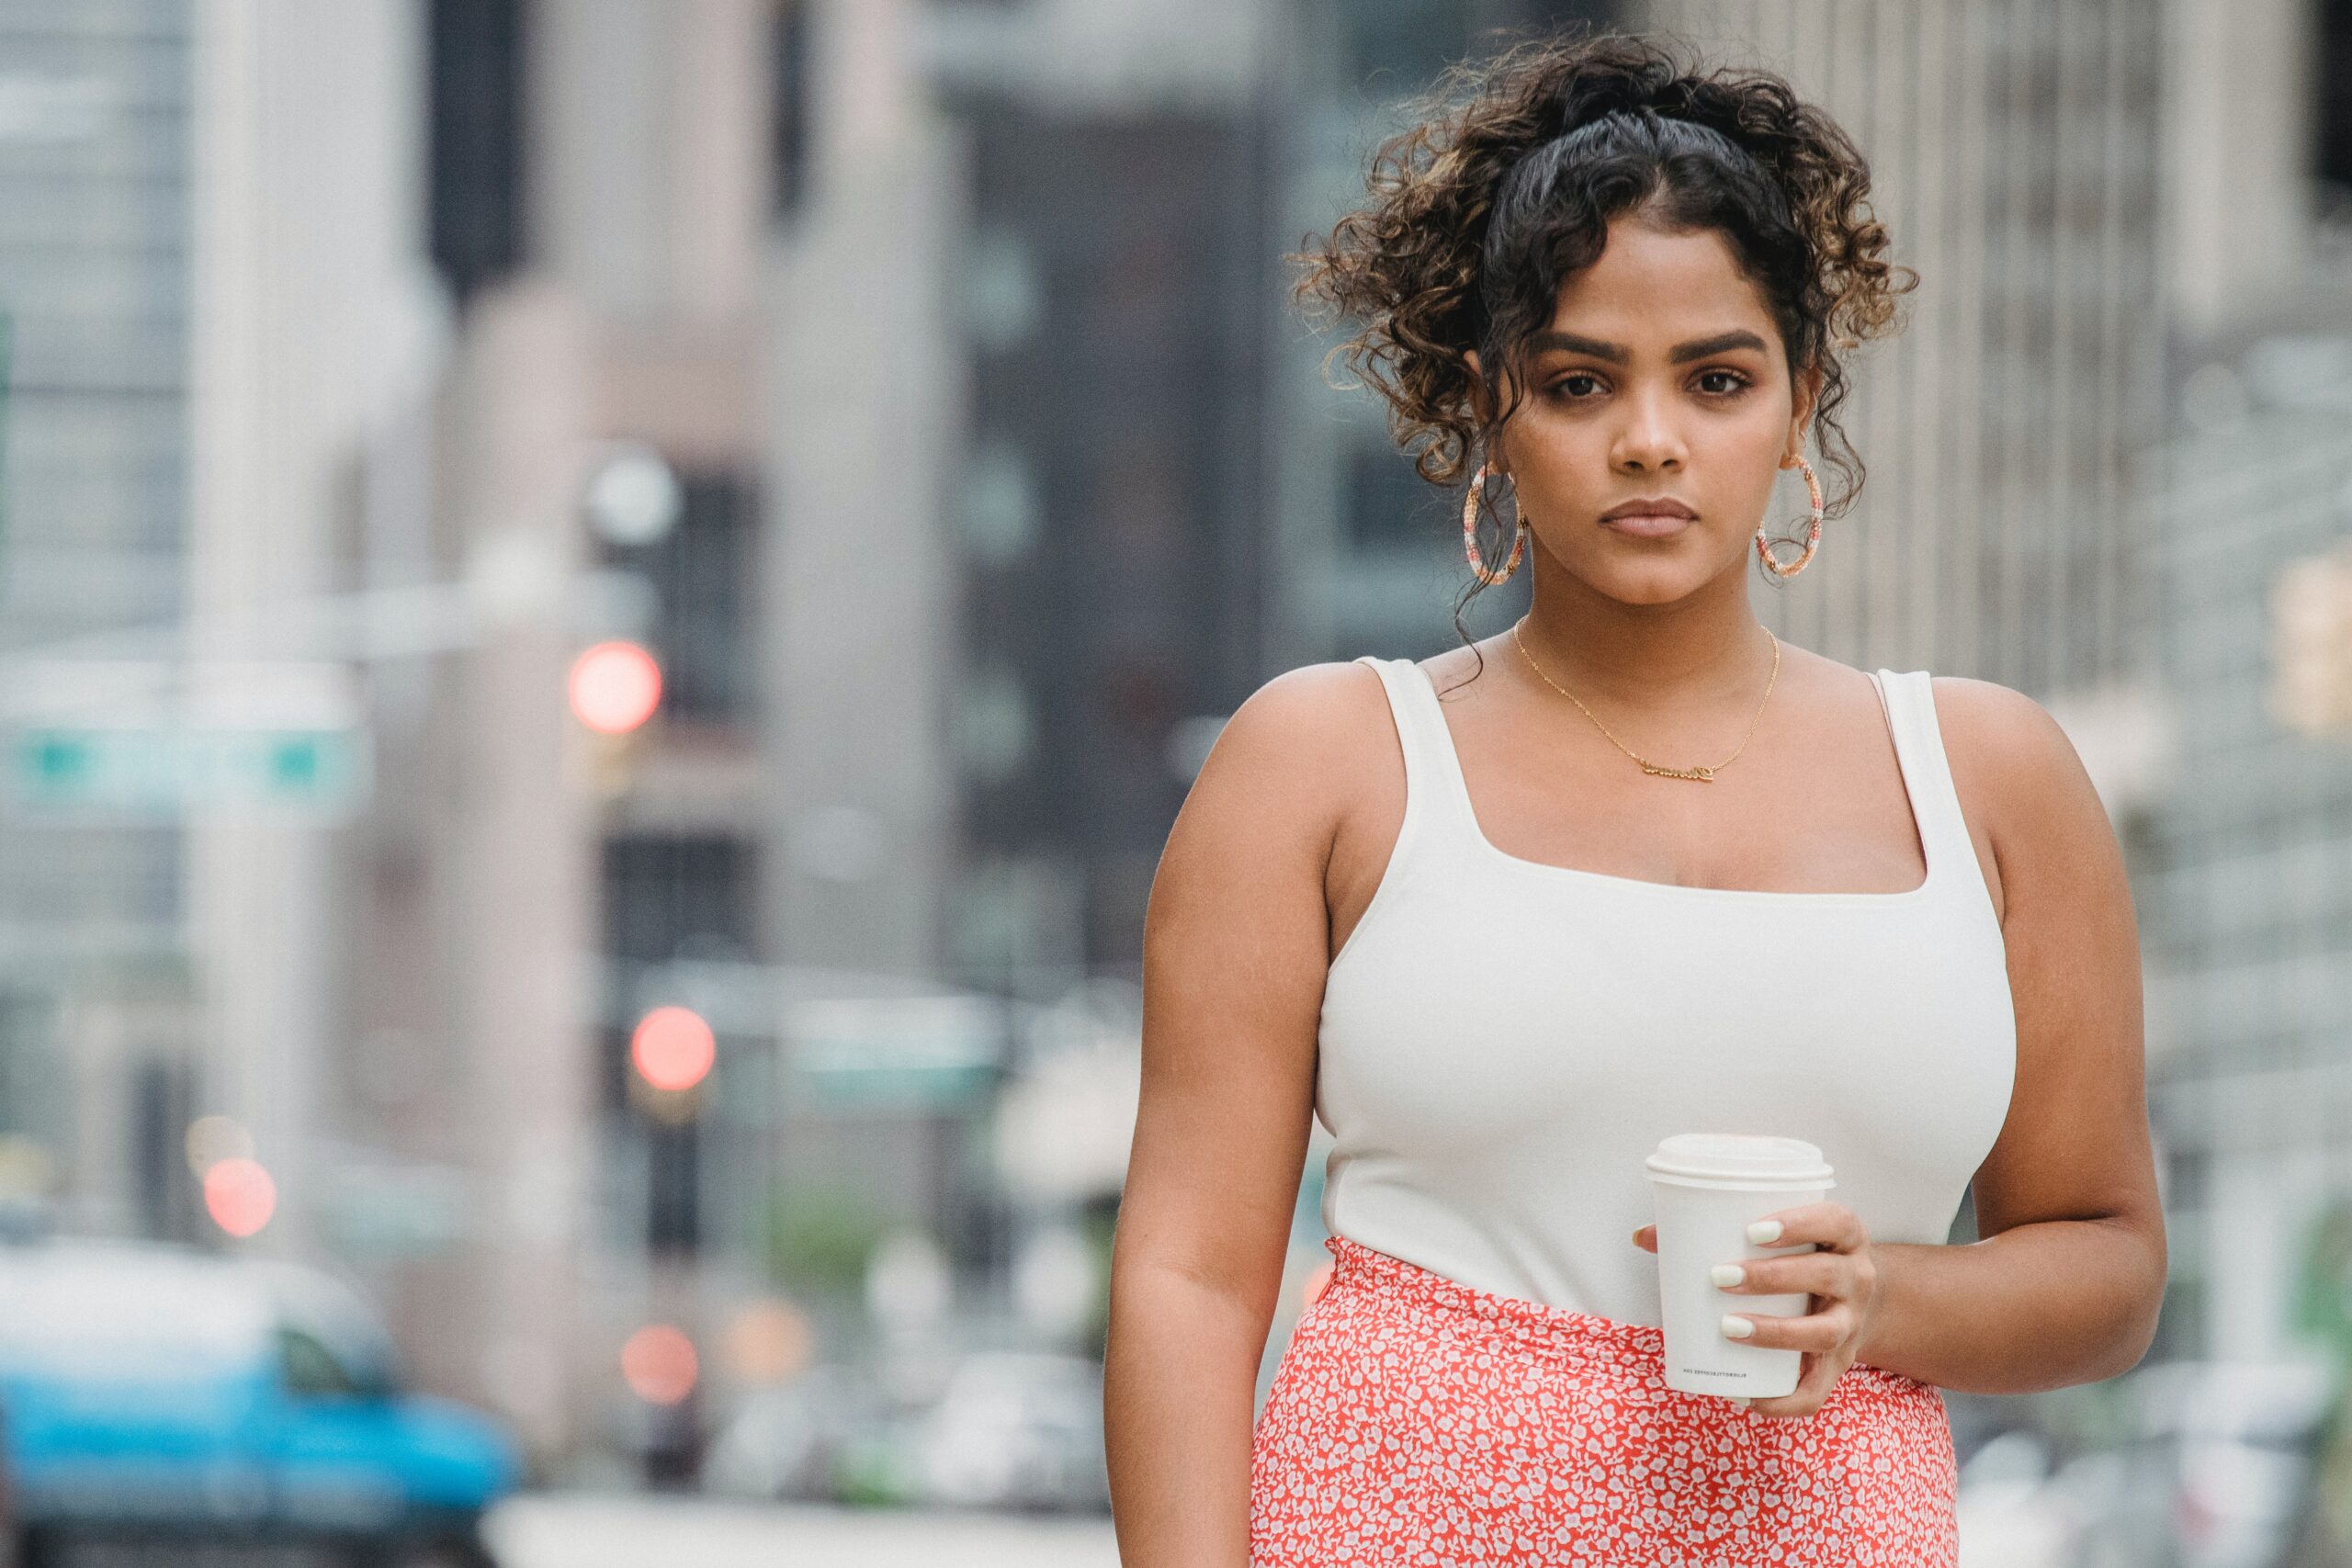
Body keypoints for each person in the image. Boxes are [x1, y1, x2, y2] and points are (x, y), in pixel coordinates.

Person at [1102, 25, 2166, 1567]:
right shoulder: (1323, 763)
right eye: (1581, 380)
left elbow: (2110, 1260)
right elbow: (1190, 1279)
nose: (1651, 439)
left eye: (1716, 378)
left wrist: (1882, 1300)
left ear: (1801, 402)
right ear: (1489, 407)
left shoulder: (1992, 781)